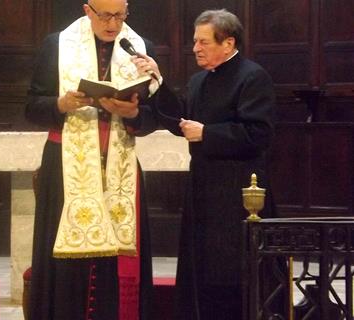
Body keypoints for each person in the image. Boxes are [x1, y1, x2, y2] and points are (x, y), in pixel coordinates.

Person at [135, 9, 277, 320]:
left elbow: (259, 134)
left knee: (230, 270)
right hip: (202, 190)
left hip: (238, 191)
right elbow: (179, 121)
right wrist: (158, 83)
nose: (196, 48)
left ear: (228, 43)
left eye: (203, 42)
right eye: (195, 41)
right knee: (201, 268)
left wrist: (207, 133)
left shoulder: (253, 77)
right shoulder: (199, 80)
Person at [25, 0, 160, 319]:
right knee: (66, 263)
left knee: (115, 257)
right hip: (65, 167)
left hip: (120, 164)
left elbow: (156, 116)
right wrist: (61, 103)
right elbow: (31, 107)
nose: (114, 24)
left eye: (120, 15)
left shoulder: (139, 48)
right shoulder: (57, 45)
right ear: (88, 11)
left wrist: (135, 114)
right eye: (106, 15)